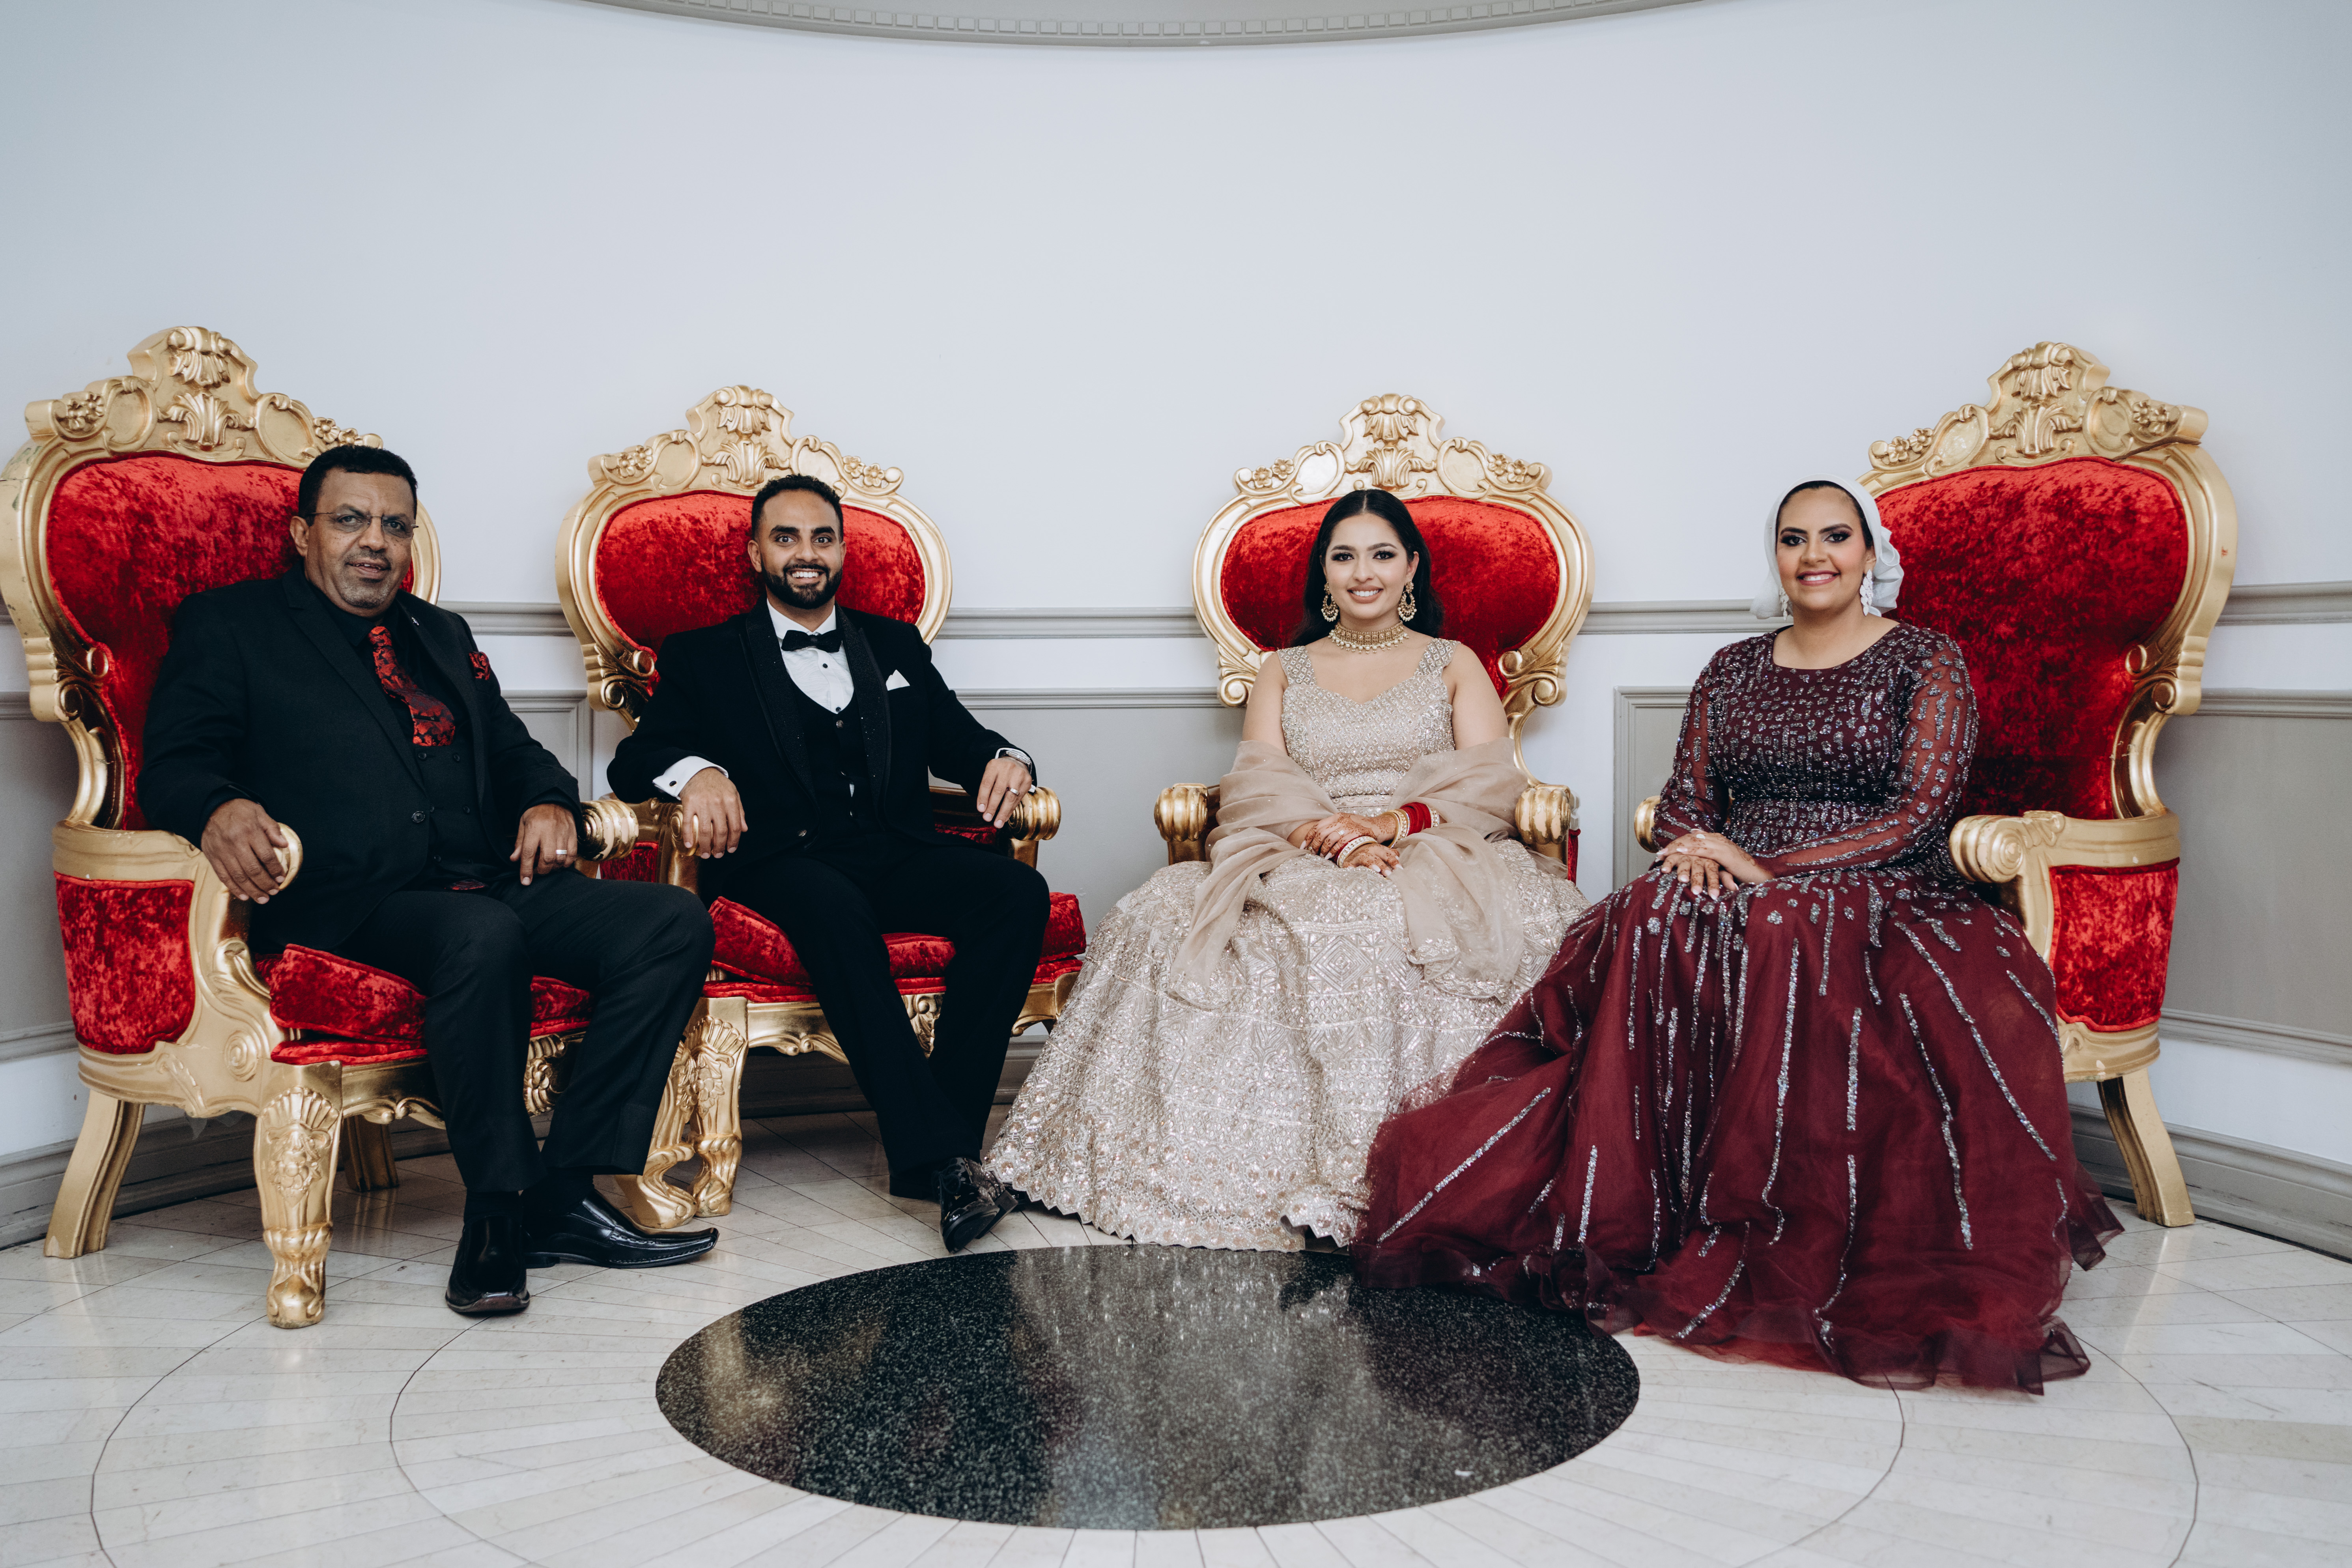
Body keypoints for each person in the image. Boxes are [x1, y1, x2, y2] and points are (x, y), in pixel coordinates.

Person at [1354, 476, 2121, 1393]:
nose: (1814, 555)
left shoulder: (1924, 659)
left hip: (1874, 886)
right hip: (1734, 870)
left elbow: (1921, 812)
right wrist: (1697, 851)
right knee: (1651, 907)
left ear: (1870, 553)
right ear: (1776, 555)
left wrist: (1775, 869)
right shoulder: (1733, 667)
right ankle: (1646, 1212)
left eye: (1835, 536)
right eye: (1794, 538)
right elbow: (1685, 799)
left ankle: (1786, 1219)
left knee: (1784, 921)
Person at [141, 445, 719, 1319]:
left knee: (669, 920)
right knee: (483, 936)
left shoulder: (440, 633)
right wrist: (219, 807)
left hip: (487, 877)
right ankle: (496, 1210)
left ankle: (564, 1190)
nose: (375, 541)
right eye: (350, 520)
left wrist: (549, 802)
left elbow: (516, 748)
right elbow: (174, 763)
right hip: (352, 898)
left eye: (395, 524)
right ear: (302, 534)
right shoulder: (232, 624)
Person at [987, 489, 1589, 1250]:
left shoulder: (1452, 662)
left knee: (1377, 922)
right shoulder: (1284, 669)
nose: (1364, 573)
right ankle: (1196, 1170)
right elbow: (1257, 784)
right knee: (1158, 914)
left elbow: (1490, 783)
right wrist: (1329, 837)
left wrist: (1390, 826)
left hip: (1431, 843)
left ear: (1411, 568)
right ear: (1323, 574)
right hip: (1299, 843)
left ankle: (1395, 1172)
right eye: (1344, 557)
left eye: (1382, 555)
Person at [606, 474, 1047, 1252]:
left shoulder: (895, 644)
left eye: (822, 538)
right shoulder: (706, 655)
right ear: (756, 554)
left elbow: (961, 738)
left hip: (893, 850)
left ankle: (942, 1151)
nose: (805, 553)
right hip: (781, 861)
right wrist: (698, 773)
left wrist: (1008, 757)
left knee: (1016, 892)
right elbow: (637, 760)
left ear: (842, 551)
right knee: (832, 906)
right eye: (786, 538)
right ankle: (946, 1159)